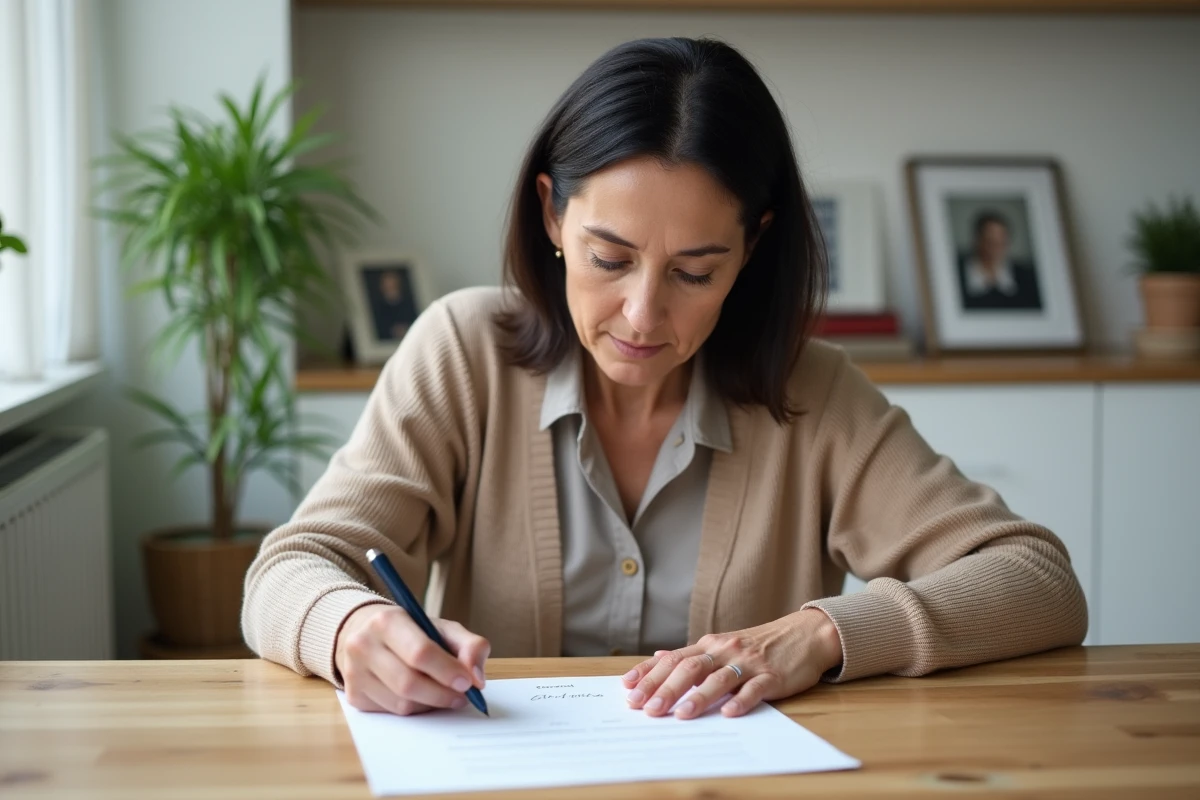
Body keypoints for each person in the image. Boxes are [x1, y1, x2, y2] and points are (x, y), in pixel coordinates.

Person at [243, 37, 1086, 722]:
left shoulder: (813, 393)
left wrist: (822, 632)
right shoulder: (464, 353)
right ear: (552, 216)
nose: (643, 315)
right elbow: (293, 567)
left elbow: (1037, 580)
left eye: (695, 271)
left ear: (750, 248)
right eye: (611, 259)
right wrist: (350, 624)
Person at [957, 210, 1043, 311]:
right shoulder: (957, 274)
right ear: (977, 241)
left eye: (1001, 243)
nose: (996, 249)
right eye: (990, 242)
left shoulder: (1026, 277)